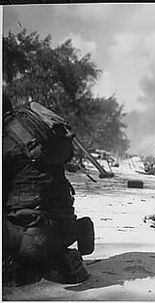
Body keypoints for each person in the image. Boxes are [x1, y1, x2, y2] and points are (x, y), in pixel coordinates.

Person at [2, 96, 95, 286]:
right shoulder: (38, 133)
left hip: (31, 239)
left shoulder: (6, 140)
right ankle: (77, 230)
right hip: (61, 228)